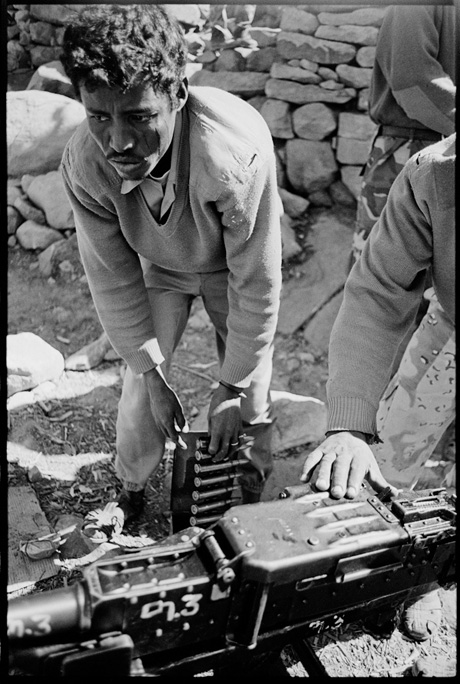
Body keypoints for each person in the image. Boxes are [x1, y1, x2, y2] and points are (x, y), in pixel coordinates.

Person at [60, 5, 282, 523]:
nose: (118, 141)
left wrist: (229, 387)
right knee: (140, 386)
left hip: (232, 270)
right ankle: (131, 489)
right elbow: (113, 281)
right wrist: (155, 375)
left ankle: (248, 489)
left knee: (251, 394)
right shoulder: (87, 165)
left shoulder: (234, 159)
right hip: (164, 268)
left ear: (178, 94)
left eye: (139, 116)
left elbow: (258, 283)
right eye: (99, 116)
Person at [301, 134, 455, 642]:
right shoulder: (433, 174)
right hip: (452, 326)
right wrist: (348, 424)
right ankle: (409, 566)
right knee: (381, 468)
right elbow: (377, 293)